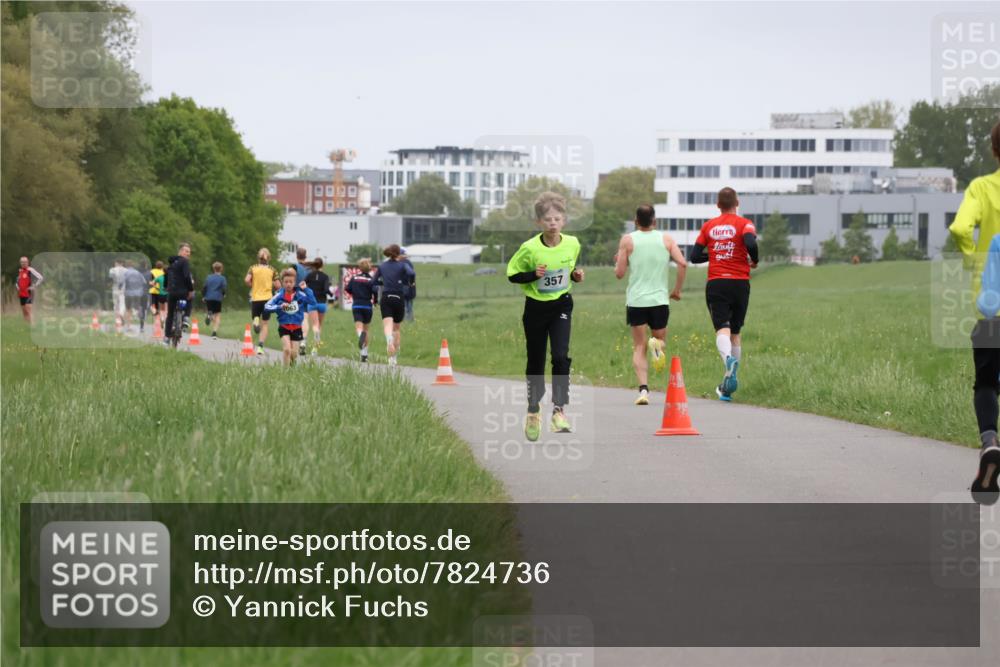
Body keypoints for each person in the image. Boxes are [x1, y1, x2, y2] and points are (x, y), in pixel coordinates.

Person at [949, 119, 1000, 504]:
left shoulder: (983, 187)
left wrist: (974, 262)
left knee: (985, 383)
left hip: (992, 306)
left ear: (994, 151)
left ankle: (989, 441)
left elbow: (959, 227)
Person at [506, 191, 584, 442]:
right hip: (536, 309)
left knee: (561, 356)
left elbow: (568, 271)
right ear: (539, 222)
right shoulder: (529, 248)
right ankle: (533, 410)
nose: (553, 223)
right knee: (536, 361)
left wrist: (575, 277)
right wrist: (533, 275)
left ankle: (559, 410)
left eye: (557, 218)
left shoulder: (573, 243)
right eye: (548, 219)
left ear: (564, 221)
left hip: (561, 304)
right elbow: (512, 274)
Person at [688, 187, 758, 402]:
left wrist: (715, 255)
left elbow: (694, 256)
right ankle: (728, 386)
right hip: (740, 283)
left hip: (717, 282)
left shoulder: (708, 227)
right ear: (737, 203)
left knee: (722, 328)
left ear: (718, 205)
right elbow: (750, 242)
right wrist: (753, 260)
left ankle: (727, 360)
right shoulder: (745, 224)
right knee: (735, 332)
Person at [614, 204, 688, 405]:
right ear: (654, 221)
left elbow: (619, 274)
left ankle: (643, 391)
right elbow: (682, 263)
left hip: (637, 301)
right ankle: (658, 345)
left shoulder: (628, 240)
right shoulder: (666, 239)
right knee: (658, 340)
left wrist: (620, 260)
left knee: (639, 346)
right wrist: (677, 290)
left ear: (636, 221)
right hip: (659, 300)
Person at [264, 268, 317, 366]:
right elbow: (267, 306)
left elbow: (313, 302)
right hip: (284, 326)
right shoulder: (279, 295)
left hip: (297, 327)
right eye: (286, 282)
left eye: (291, 282)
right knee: (287, 350)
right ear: (282, 282)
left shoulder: (300, 294)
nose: (288, 284)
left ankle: (292, 368)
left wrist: (306, 288)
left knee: (294, 354)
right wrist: (279, 306)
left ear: (294, 282)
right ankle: (285, 372)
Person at [374, 244, 415, 366]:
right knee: (396, 329)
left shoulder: (382, 266)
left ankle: (389, 341)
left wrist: (382, 282)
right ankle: (393, 359)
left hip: (386, 297)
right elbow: (411, 273)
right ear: (398, 253)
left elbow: (373, 281)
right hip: (399, 297)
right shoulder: (403, 265)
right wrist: (410, 283)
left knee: (387, 325)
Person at [245, 248, 279, 356]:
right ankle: (260, 347)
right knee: (265, 324)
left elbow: (246, 280)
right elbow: (278, 285)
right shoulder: (272, 269)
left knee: (256, 317)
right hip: (268, 299)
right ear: (269, 258)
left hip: (256, 298)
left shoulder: (253, 268)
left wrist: (253, 285)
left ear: (258, 258)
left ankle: (255, 320)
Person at [346, 258, 378, 362]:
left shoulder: (354, 278)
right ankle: (365, 354)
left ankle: (361, 338)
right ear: (369, 268)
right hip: (367, 306)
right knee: (366, 330)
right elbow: (375, 291)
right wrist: (376, 301)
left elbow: (347, 289)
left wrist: (355, 293)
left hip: (357, 305)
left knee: (359, 327)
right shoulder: (371, 280)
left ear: (359, 267)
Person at [164, 243, 195, 342]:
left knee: (170, 314)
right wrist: (190, 289)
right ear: (180, 251)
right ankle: (185, 317)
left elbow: (167, 275)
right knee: (190, 297)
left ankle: (167, 337)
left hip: (172, 292)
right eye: (186, 251)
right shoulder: (184, 262)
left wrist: (166, 287)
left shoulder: (172, 263)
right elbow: (186, 276)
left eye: (189, 252)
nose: (188, 254)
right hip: (182, 293)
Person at [304, 257, 332, 354]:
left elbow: (302, 285)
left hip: (312, 303)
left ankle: (315, 334)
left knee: (314, 325)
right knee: (319, 325)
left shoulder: (309, 275)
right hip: (322, 303)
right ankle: (315, 349)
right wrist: (331, 294)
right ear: (322, 265)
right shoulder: (325, 276)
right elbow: (326, 289)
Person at [293, 246, 313, 354]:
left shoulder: (293, 268)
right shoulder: (310, 269)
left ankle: (295, 340)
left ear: (296, 256)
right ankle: (303, 342)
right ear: (305, 256)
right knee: (305, 318)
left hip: (294, 295)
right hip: (305, 295)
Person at [202, 261, 227, 339]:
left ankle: (209, 315)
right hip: (217, 298)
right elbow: (223, 288)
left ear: (214, 269)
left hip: (208, 298)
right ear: (221, 269)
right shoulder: (222, 278)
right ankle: (214, 333)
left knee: (211, 312)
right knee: (218, 315)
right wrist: (223, 295)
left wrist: (204, 296)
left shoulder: (209, 277)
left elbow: (204, 287)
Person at [122, 260, 149, 333]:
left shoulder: (126, 273)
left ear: (126, 266)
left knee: (128, 309)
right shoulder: (138, 273)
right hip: (138, 293)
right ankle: (136, 312)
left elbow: (122, 283)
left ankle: (129, 326)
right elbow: (144, 282)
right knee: (138, 307)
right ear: (133, 266)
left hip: (128, 293)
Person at [16, 256, 43, 323]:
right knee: (24, 312)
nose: (23, 263)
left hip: (28, 293)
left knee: (28, 310)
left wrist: (34, 286)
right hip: (21, 293)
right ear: (20, 263)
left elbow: (40, 277)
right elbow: (17, 282)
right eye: (22, 262)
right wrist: (18, 288)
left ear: (27, 262)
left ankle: (32, 326)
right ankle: (27, 327)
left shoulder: (30, 270)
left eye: (25, 262)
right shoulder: (20, 271)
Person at [108, 259, 127, 326]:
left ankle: (117, 319)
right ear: (122, 263)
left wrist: (109, 285)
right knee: (122, 304)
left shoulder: (112, 270)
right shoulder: (126, 270)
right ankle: (121, 314)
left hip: (115, 289)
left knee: (115, 305)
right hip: (122, 290)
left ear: (116, 263)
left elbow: (110, 279)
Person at [149, 260, 167, 330]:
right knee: (160, 307)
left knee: (151, 303)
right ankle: (161, 317)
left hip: (153, 290)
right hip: (161, 291)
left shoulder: (152, 271)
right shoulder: (163, 272)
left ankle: (154, 311)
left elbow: (150, 280)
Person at [400, 248, 416, 322]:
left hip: (402, 285)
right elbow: (412, 274)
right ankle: (410, 319)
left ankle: (404, 319)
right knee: (409, 303)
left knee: (403, 304)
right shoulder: (409, 263)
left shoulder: (400, 263)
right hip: (410, 286)